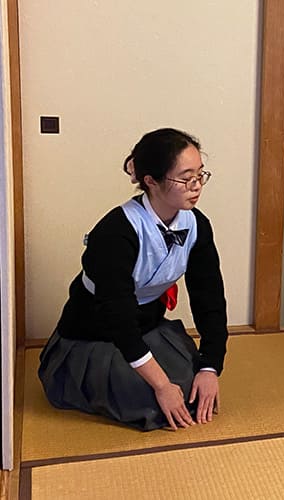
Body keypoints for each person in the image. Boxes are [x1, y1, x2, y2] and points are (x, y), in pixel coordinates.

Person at [39, 128, 228, 431]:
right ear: (151, 181)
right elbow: (118, 318)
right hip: (96, 333)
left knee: (193, 388)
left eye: (200, 175)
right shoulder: (116, 231)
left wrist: (210, 367)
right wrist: (162, 386)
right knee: (154, 402)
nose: (196, 187)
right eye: (185, 178)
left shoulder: (196, 225)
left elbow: (210, 300)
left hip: (146, 326)